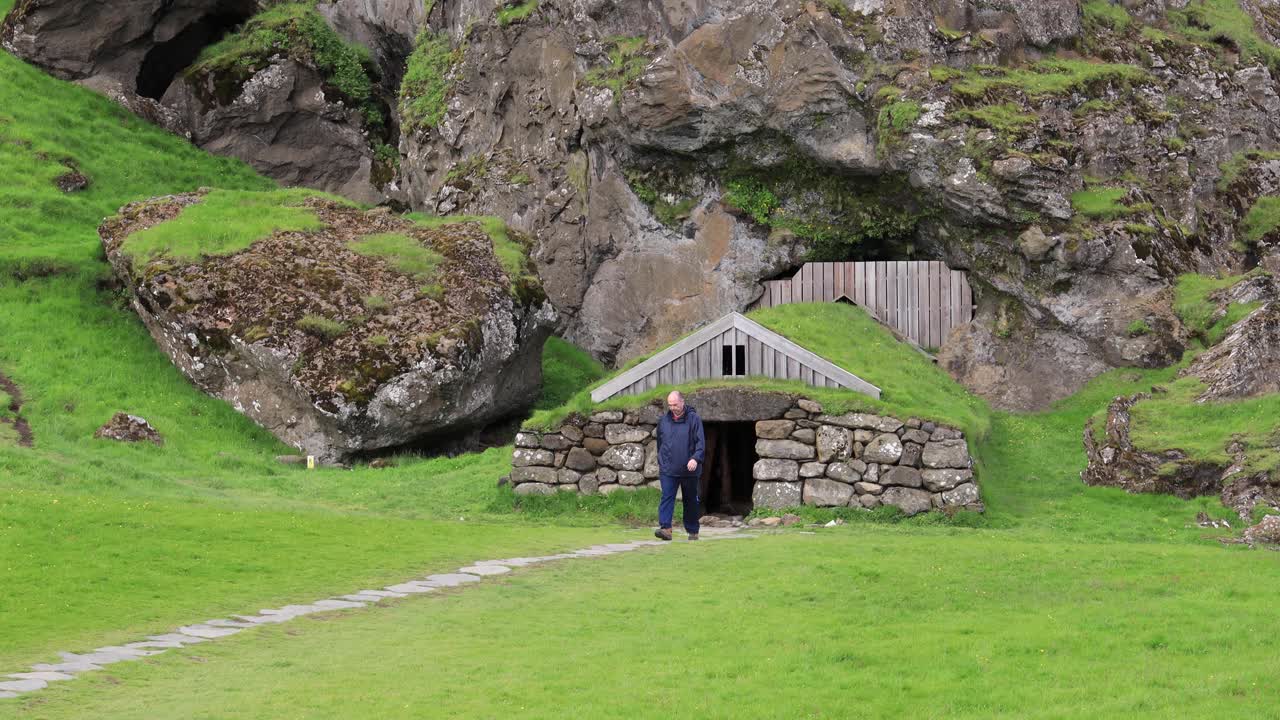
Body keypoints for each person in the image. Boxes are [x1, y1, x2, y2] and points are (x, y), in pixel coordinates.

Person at [654, 390, 705, 541]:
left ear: (682, 402)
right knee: (667, 497)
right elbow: (660, 444)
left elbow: (700, 443)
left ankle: (693, 531)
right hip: (668, 469)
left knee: (690, 501)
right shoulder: (663, 421)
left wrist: (695, 459)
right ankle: (666, 529)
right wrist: (662, 462)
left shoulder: (694, 419)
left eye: (675, 404)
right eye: (670, 405)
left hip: (689, 470)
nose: (673, 407)